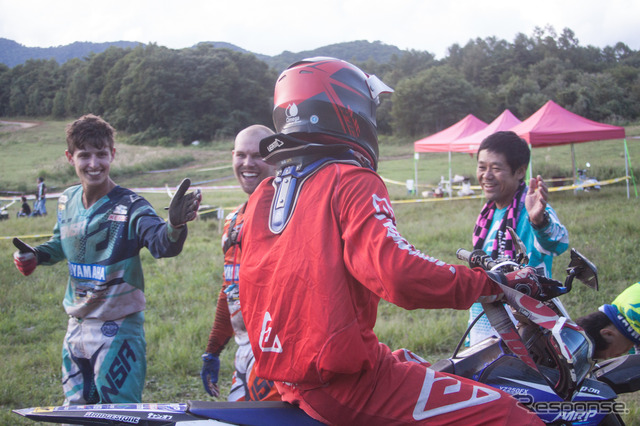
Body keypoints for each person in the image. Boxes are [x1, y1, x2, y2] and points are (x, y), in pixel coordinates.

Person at [237, 57, 558, 425]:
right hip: (346, 385)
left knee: (424, 364)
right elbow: (398, 273)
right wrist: (490, 284)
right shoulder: (350, 179)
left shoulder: (264, 192)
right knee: (509, 415)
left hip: (290, 377)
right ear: (350, 109)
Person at [12, 114, 201, 405]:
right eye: (84, 155)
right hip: (75, 327)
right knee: (74, 414)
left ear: (112, 154)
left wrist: (175, 226)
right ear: (69, 157)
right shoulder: (66, 200)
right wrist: (34, 255)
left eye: (101, 154)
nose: (94, 164)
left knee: (119, 415)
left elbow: (163, 244)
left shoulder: (132, 205)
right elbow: (61, 243)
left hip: (119, 329)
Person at [200, 124, 280, 402]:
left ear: (278, 158)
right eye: (241, 155)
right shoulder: (233, 221)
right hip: (246, 354)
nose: (248, 164)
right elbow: (230, 290)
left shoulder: (290, 216)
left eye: (259, 155)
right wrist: (212, 350)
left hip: (281, 355)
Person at [467, 131, 569, 346]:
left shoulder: (532, 210)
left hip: (526, 328)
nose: (486, 175)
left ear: (520, 171)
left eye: (496, 168)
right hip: (485, 322)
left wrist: (539, 222)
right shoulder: (487, 216)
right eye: (482, 167)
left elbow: (558, 244)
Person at [576, 282, 640, 360]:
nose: (618, 356)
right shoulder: (622, 306)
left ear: (608, 334)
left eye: (611, 355)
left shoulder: (636, 314)